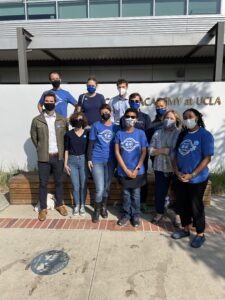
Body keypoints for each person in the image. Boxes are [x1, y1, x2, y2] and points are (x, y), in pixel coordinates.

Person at [171, 108, 214, 248]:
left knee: (196, 206)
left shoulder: (205, 135)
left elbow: (207, 158)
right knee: (182, 204)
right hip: (181, 176)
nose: (187, 119)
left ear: (197, 117)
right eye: (185, 117)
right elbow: (174, 155)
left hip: (197, 178)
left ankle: (200, 234)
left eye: (190, 116)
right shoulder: (182, 135)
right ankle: (185, 229)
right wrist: (177, 172)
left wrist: (193, 174)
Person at [31, 92, 68, 221]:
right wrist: (41, 148)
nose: (49, 103)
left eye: (51, 101)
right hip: (44, 158)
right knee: (43, 183)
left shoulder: (62, 119)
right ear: (44, 103)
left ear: (55, 102)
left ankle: (59, 205)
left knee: (59, 182)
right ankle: (43, 208)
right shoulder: (37, 120)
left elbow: (66, 137)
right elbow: (34, 138)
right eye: (47, 101)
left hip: (58, 157)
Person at [115, 108, 148, 227]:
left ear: (136, 119)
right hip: (123, 171)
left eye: (133, 117)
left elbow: (144, 152)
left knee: (136, 194)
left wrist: (136, 169)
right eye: (128, 116)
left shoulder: (140, 133)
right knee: (125, 194)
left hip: (137, 172)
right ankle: (126, 214)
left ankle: (136, 216)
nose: (130, 119)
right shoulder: (119, 133)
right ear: (124, 117)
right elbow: (117, 153)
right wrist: (126, 170)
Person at [120, 93, 152, 211]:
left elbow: (148, 135)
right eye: (132, 100)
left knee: (142, 178)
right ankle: (126, 205)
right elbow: (123, 132)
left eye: (137, 100)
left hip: (141, 152)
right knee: (126, 177)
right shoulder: (124, 117)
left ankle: (142, 202)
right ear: (129, 102)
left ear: (141, 102)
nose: (134, 102)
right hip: (128, 153)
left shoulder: (145, 117)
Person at [149, 110, 182, 224]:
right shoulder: (157, 133)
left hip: (176, 168)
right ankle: (159, 213)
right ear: (163, 119)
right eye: (167, 117)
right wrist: (162, 150)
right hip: (160, 167)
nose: (169, 120)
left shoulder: (179, 133)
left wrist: (170, 151)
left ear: (176, 120)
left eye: (172, 118)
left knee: (178, 192)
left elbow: (180, 151)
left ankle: (178, 215)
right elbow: (150, 150)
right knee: (160, 192)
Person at [87, 104, 118, 223]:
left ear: (110, 112)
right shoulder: (96, 125)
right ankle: (96, 210)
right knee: (99, 188)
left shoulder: (116, 128)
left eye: (106, 111)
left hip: (111, 161)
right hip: (97, 159)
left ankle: (104, 207)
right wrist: (89, 159)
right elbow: (91, 143)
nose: (104, 114)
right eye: (102, 112)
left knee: (106, 187)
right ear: (100, 114)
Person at [64, 112, 89, 216]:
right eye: (76, 119)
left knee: (83, 185)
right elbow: (66, 150)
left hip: (84, 160)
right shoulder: (68, 134)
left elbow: (90, 148)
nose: (78, 121)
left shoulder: (87, 133)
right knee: (75, 185)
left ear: (83, 120)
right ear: (73, 120)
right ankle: (77, 205)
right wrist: (65, 164)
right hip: (72, 161)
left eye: (80, 119)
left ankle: (83, 205)